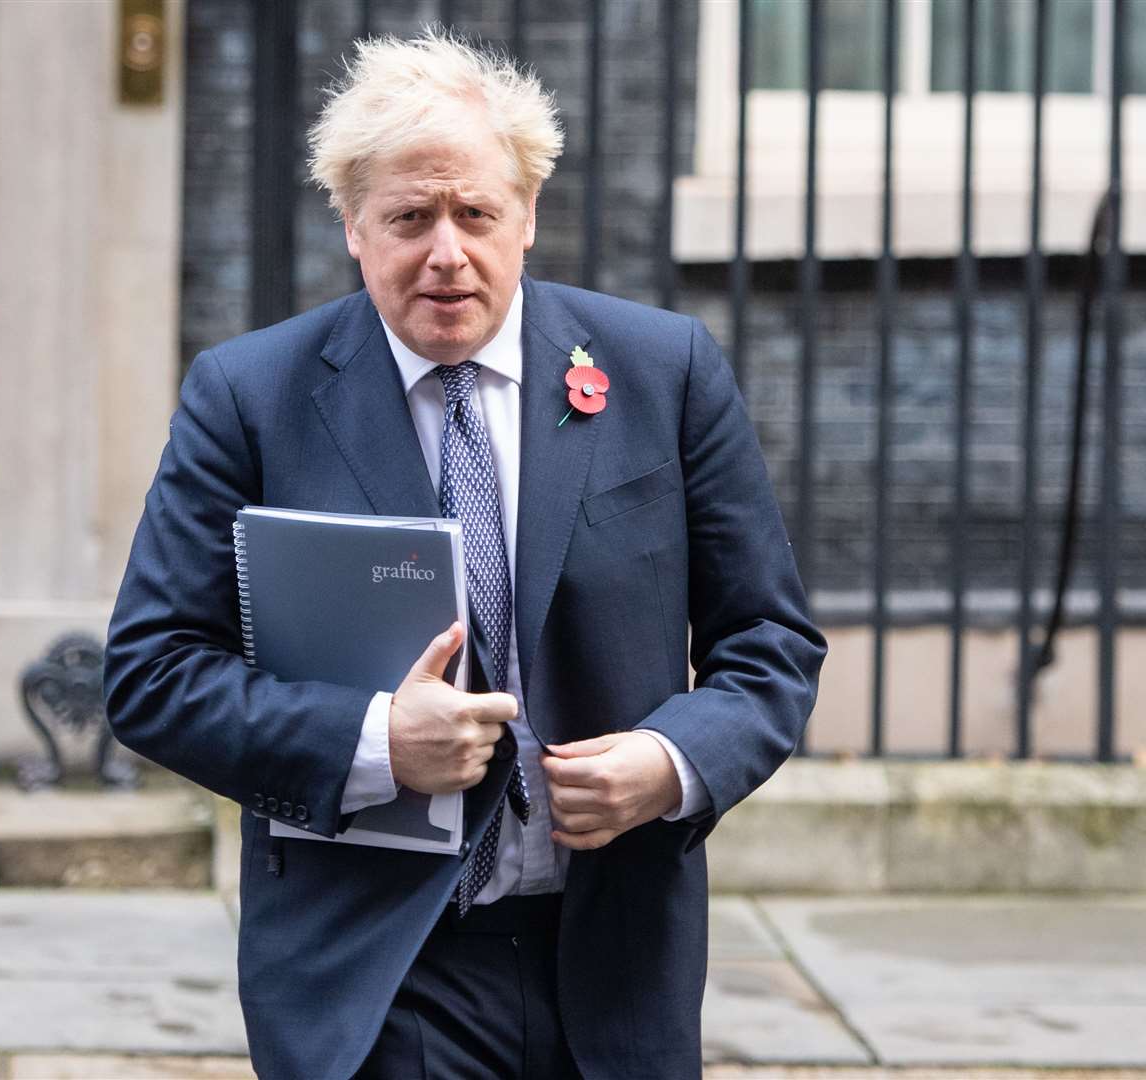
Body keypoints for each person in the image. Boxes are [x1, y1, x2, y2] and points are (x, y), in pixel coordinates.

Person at [105, 30, 825, 1079]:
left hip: (613, 960)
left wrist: (667, 768)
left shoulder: (661, 373)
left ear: (527, 216)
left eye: (476, 213)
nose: (447, 251)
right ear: (353, 226)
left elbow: (768, 644)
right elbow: (151, 672)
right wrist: (373, 742)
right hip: (379, 973)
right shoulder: (249, 398)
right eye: (408, 217)